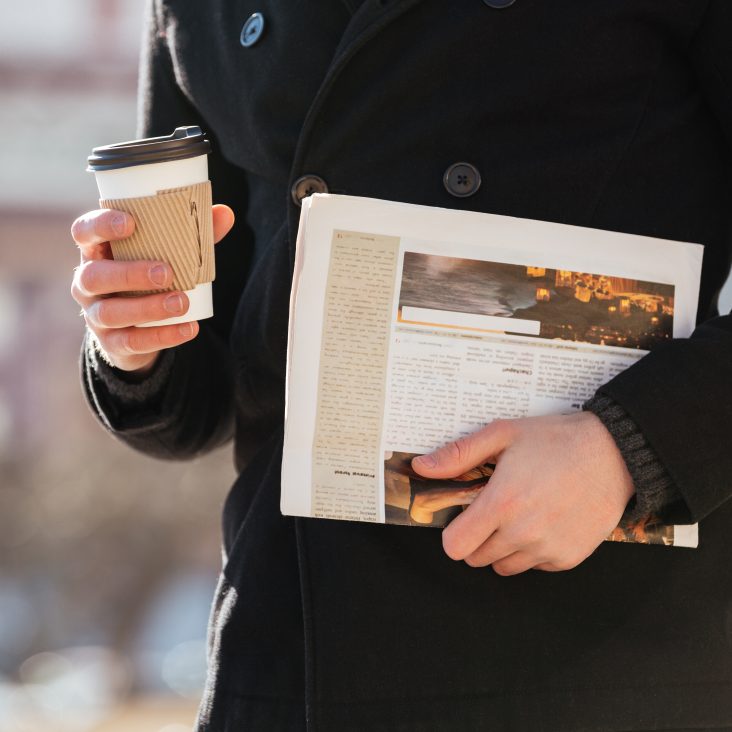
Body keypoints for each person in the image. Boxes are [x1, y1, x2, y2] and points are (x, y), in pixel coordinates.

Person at [70, 1, 732, 730]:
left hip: (599, 651)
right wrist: (133, 343)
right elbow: (204, 387)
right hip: (290, 648)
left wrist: (629, 448)